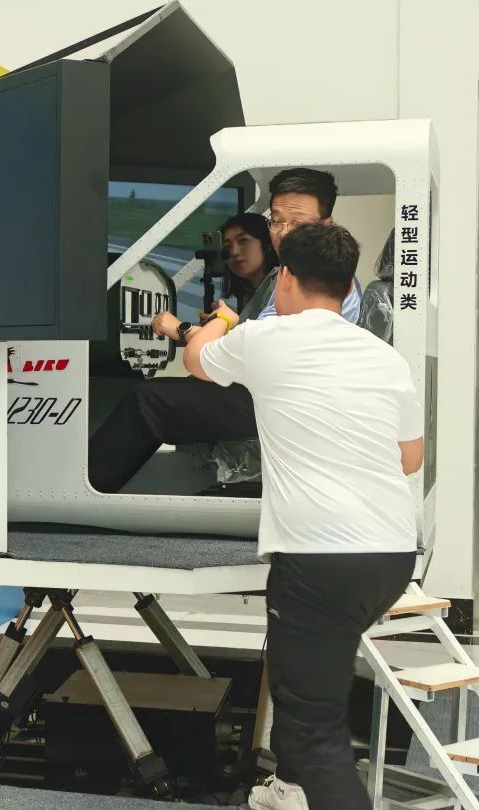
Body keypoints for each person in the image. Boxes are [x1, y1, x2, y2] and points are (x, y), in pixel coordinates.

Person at [183, 223, 421, 810]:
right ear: (346, 286)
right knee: (312, 695)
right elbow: (410, 459)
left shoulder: (264, 337)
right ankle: (289, 793)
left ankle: (309, 788)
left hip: (321, 560)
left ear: (284, 277)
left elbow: (195, 360)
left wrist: (223, 318)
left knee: (312, 732)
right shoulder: (386, 357)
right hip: (392, 554)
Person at [88, 168, 360, 493]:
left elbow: (241, 353)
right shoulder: (289, 275)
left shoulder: (310, 282)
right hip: (275, 392)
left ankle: (88, 490)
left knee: (149, 401)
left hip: (280, 402)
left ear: (326, 225)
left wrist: (198, 327)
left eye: (298, 224)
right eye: (276, 221)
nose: (285, 234)